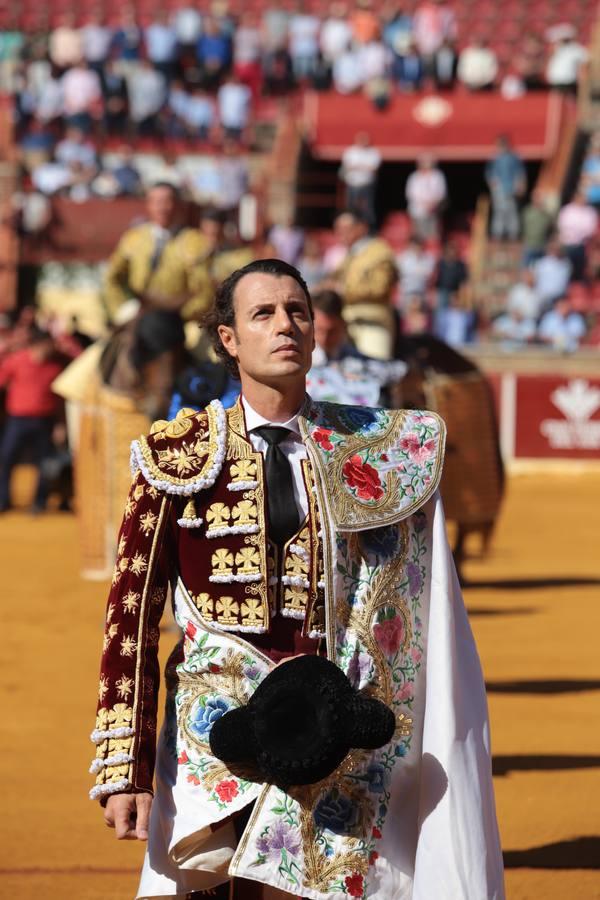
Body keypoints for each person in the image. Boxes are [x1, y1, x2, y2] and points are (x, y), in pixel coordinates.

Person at [89, 257, 505, 899]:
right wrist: (127, 768)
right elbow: (132, 619)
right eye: (263, 313)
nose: (285, 325)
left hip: (335, 734)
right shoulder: (175, 457)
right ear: (229, 339)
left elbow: (411, 605)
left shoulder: (374, 449)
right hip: (215, 735)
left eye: (297, 312)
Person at [103, 182, 211, 323]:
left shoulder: (195, 241)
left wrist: (182, 316)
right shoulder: (134, 238)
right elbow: (112, 278)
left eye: (167, 201)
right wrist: (122, 311)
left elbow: (204, 291)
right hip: (138, 315)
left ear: (178, 205)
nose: (161, 208)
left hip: (180, 320)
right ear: (148, 205)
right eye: (156, 202)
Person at [0, 328, 66, 513]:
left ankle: (39, 501)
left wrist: (60, 424)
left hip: (44, 421)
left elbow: (59, 399)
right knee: (6, 458)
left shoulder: (55, 367)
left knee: (44, 463)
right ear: (36, 345)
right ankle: (3, 499)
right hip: (17, 419)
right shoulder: (16, 361)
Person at [332, 209, 398, 360]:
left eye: (346, 229)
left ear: (361, 228)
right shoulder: (350, 255)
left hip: (372, 323)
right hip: (347, 323)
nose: (340, 234)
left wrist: (342, 290)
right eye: (338, 229)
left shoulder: (380, 252)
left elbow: (380, 288)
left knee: (375, 366)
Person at [485, 135, 526, 241]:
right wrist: (493, 185)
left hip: (511, 189)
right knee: (499, 211)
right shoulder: (494, 158)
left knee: (512, 211)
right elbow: (489, 174)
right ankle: (497, 234)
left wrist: (520, 185)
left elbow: (520, 173)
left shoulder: (514, 157)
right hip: (499, 190)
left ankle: (513, 235)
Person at [339, 132, 382, 228]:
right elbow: (347, 166)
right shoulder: (350, 151)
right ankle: (351, 227)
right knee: (351, 208)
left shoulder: (373, 152)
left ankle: (369, 228)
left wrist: (357, 166)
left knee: (368, 208)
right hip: (352, 184)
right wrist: (364, 167)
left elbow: (374, 168)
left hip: (367, 184)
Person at [556, 190, 599, 282]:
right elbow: (563, 226)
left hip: (583, 245)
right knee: (566, 268)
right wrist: (576, 232)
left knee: (580, 269)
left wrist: (580, 233)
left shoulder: (590, 212)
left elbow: (590, 228)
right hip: (568, 244)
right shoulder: (567, 210)